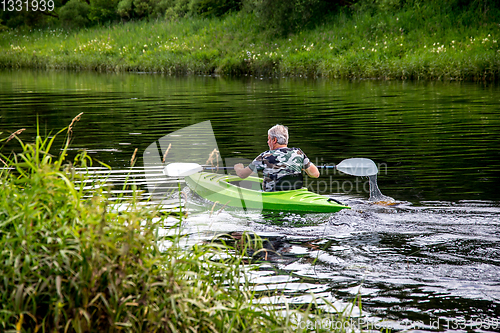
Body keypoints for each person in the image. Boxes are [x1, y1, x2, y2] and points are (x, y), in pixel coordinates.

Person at [234, 124, 320, 192]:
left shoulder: (264, 156)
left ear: (274, 140)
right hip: (295, 193)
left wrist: (238, 168)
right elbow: (315, 174)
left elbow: (242, 175)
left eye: (268, 139)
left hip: (272, 195)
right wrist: (303, 167)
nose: (267, 142)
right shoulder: (298, 153)